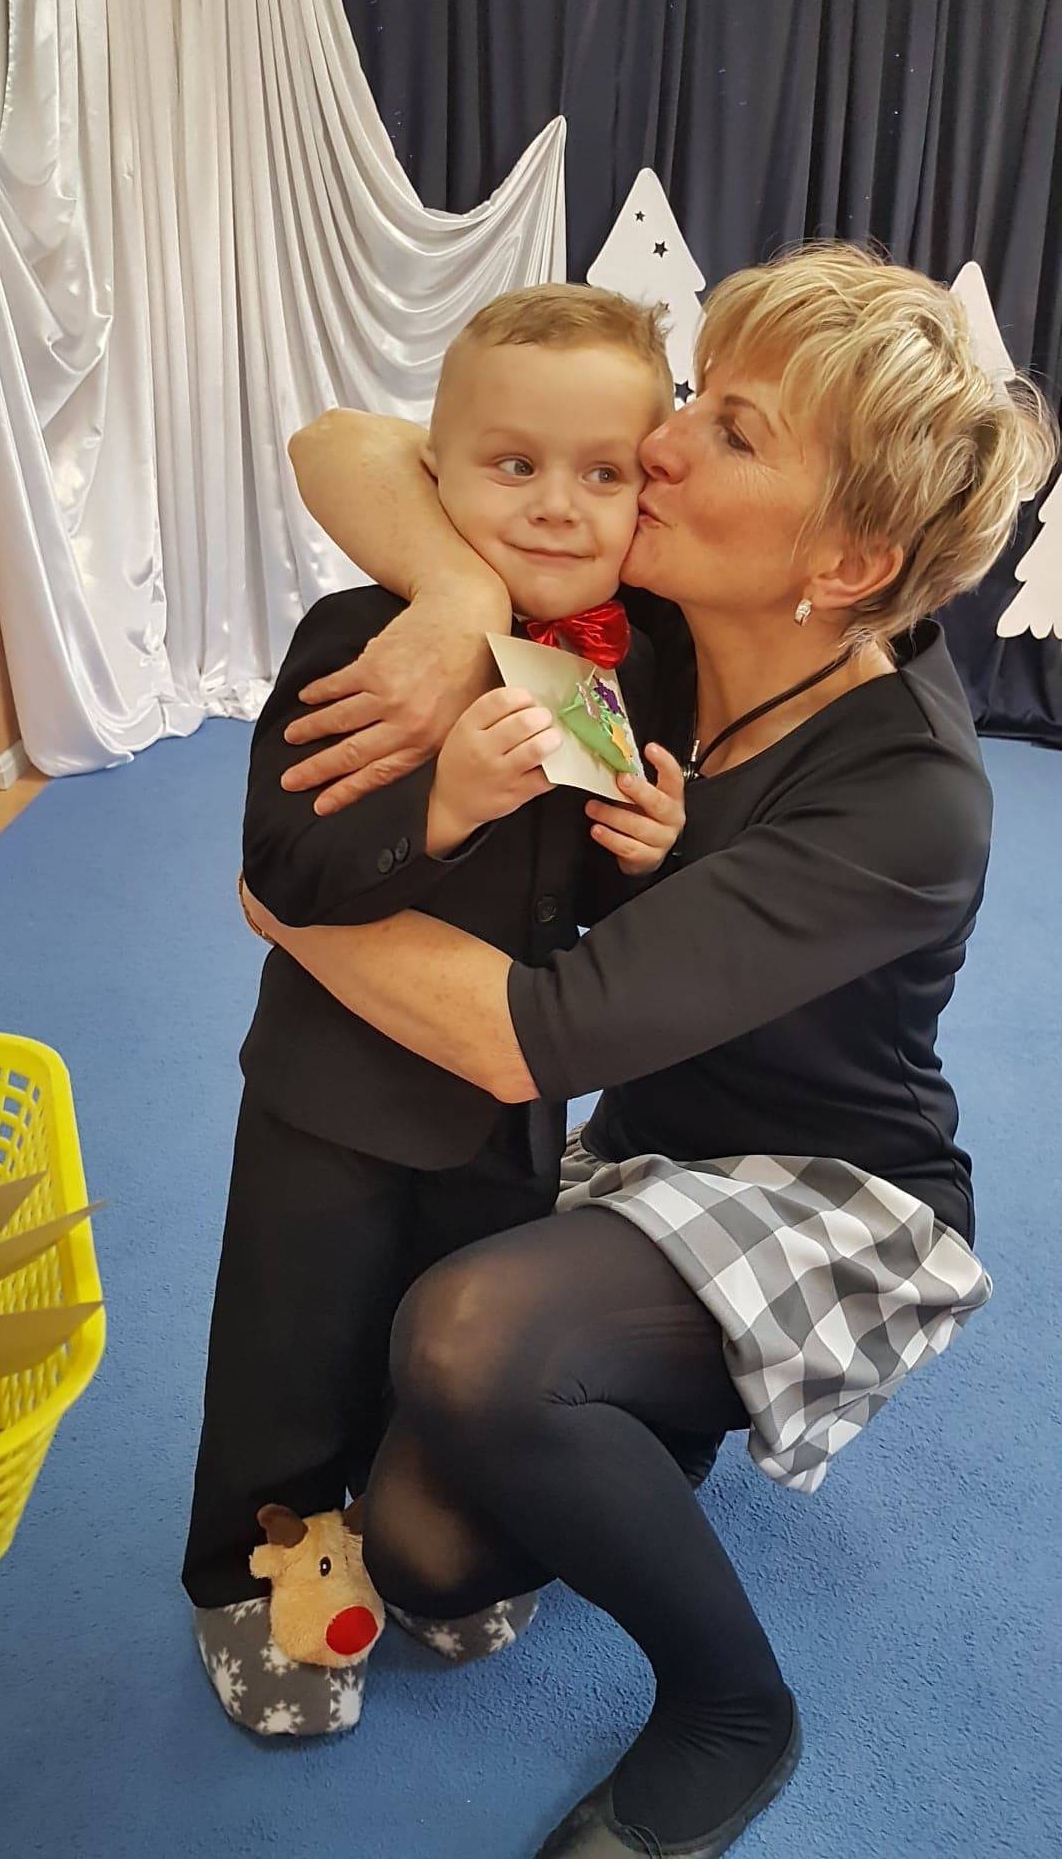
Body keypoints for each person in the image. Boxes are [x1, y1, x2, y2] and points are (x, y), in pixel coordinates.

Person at [242, 243, 1058, 1856]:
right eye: (695, 392)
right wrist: (465, 594)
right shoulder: (660, 628)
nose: (661, 444)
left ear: (847, 558)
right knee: (421, 1556)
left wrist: (291, 905)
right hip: (648, 1155)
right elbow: (348, 441)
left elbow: (524, 1038)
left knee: (470, 1339)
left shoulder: (907, 796)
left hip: (830, 1190)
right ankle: (658, 1401)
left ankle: (734, 1709)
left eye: (733, 433)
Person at [182, 284, 690, 1734]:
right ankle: (247, 1578)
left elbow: (607, 927)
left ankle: (420, 1536)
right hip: (329, 1103)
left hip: (509, 1108)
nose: (556, 505)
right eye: (512, 464)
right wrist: (443, 807)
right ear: (437, 466)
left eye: (602, 472)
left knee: (447, 1342)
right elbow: (282, 867)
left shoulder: (636, 656)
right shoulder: (364, 634)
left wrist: (652, 856)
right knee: (290, 1353)